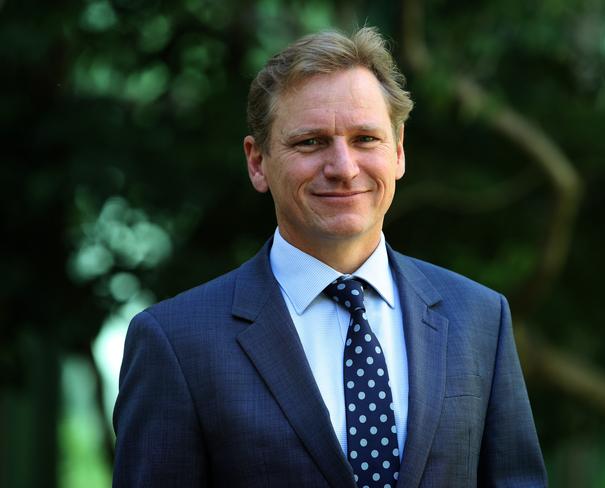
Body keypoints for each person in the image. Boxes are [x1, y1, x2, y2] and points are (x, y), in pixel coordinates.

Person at [113, 27, 547, 487]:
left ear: (398, 151)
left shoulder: (479, 318)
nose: (343, 168)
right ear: (257, 162)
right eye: (311, 142)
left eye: (365, 139)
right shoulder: (176, 343)